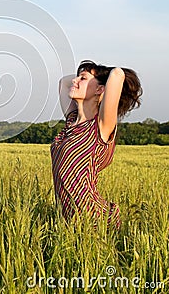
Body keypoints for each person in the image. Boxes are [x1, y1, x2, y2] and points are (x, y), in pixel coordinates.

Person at [50, 60, 142, 230]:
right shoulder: (71, 121)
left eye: (82, 79)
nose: (74, 81)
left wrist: (101, 73)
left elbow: (117, 74)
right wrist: (87, 76)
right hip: (68, 222)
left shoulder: (101, 125)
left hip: (94, 220)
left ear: (100, 89)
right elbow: (63, 82)